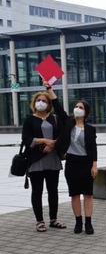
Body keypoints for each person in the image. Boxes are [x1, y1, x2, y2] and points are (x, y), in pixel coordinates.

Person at [22, 83, 65, 232]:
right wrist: (43, 141)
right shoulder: (29, 119)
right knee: (37, 191)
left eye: (44, 101)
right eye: (38, 100)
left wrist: (52, 144)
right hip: (36, 160)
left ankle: (54, 219)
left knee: (53, 190)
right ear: (34, 103)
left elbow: (61, 135)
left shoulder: (55, 118)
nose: (41, 103)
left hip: (52, 159)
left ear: (49, 104)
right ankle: (39, 221)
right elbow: (26, 139)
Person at [54, 93, 98, 235]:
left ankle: (88, 223)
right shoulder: (68, 123)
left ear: (85, 112)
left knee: (88, 194)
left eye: (80, 107)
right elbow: (57, 106)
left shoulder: (90, 129)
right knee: (74, 194)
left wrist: (94, 165)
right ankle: (78, 222)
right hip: (72, 162)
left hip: (86, 163)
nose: (77, 109)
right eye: (76, 107)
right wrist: (49, 88)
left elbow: (93, 148)